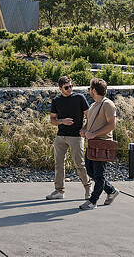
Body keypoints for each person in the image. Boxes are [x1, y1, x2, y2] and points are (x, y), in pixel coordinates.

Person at [46, 76, 91, 200]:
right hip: (61, 136)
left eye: (71, 86)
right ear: (60, 88)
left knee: (79, 164)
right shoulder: (56, 101)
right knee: (58, 164)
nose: (70, 89)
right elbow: (52, 120)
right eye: (67, 87)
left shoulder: (79, 98)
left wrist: (84, 129)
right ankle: (59, 191)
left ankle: (88, 189)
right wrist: (62, 121)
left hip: (76, 136)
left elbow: (89, 116)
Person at [79, 78, 119, 210]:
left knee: (99, 175)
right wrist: (84, 130)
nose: (89, 91)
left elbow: (112, 125)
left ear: (94, 90)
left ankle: (93, 201)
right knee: (91, 172)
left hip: (102, 144)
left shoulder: (108, 104)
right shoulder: (93, 105)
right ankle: (111, 191)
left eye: (90, 89)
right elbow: (89, 122)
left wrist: (94, 134)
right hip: (92, 144)